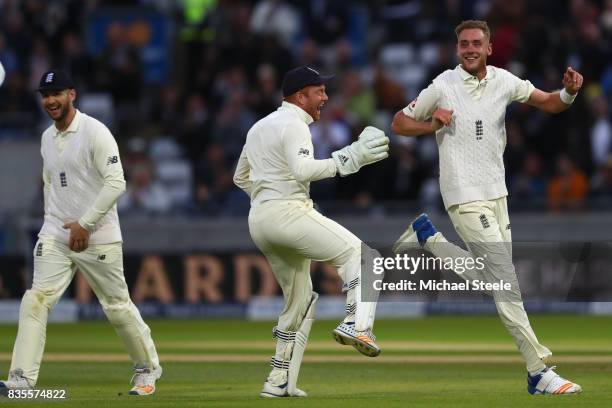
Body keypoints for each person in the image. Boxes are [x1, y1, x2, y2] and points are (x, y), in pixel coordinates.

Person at [391, 20, 583, 395]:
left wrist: (569, 93)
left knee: (496, 283)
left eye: (477, 43)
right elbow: (399, 122)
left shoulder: (503, 80)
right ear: (457, 48)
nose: (470, 49)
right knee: (506, 283)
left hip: (498, 194)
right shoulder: (442, 86)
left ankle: (427, 237)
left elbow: (547, 102)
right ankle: (539, 370)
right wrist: (432, 123)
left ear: (490, 48)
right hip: (463, 195)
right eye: (463, 44)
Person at [0, 70, 162, 396]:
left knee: (116, 307)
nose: (50, 101)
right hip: (57, 233)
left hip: (98, 233)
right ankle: (20, 379)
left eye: (56, 93)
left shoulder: (95, 132)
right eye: (45, 95)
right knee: (35, 300)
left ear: (72, 94)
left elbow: (117, 182)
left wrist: (85, 224)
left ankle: (147, 370)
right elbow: (50, 185)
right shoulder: (47, 138)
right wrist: (55, 225)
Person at [233, 66, 389, 398]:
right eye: (319, 91)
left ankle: (278, 380)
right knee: (366, 257)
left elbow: (240, 178)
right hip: (287, 212)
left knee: (299, 301)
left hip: (259, 219)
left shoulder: (259, 127)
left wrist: (267, 199)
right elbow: (303, 169)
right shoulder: (294, 124)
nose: (325, 97)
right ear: (301, 95)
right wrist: (350, 158)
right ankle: (357, 325)